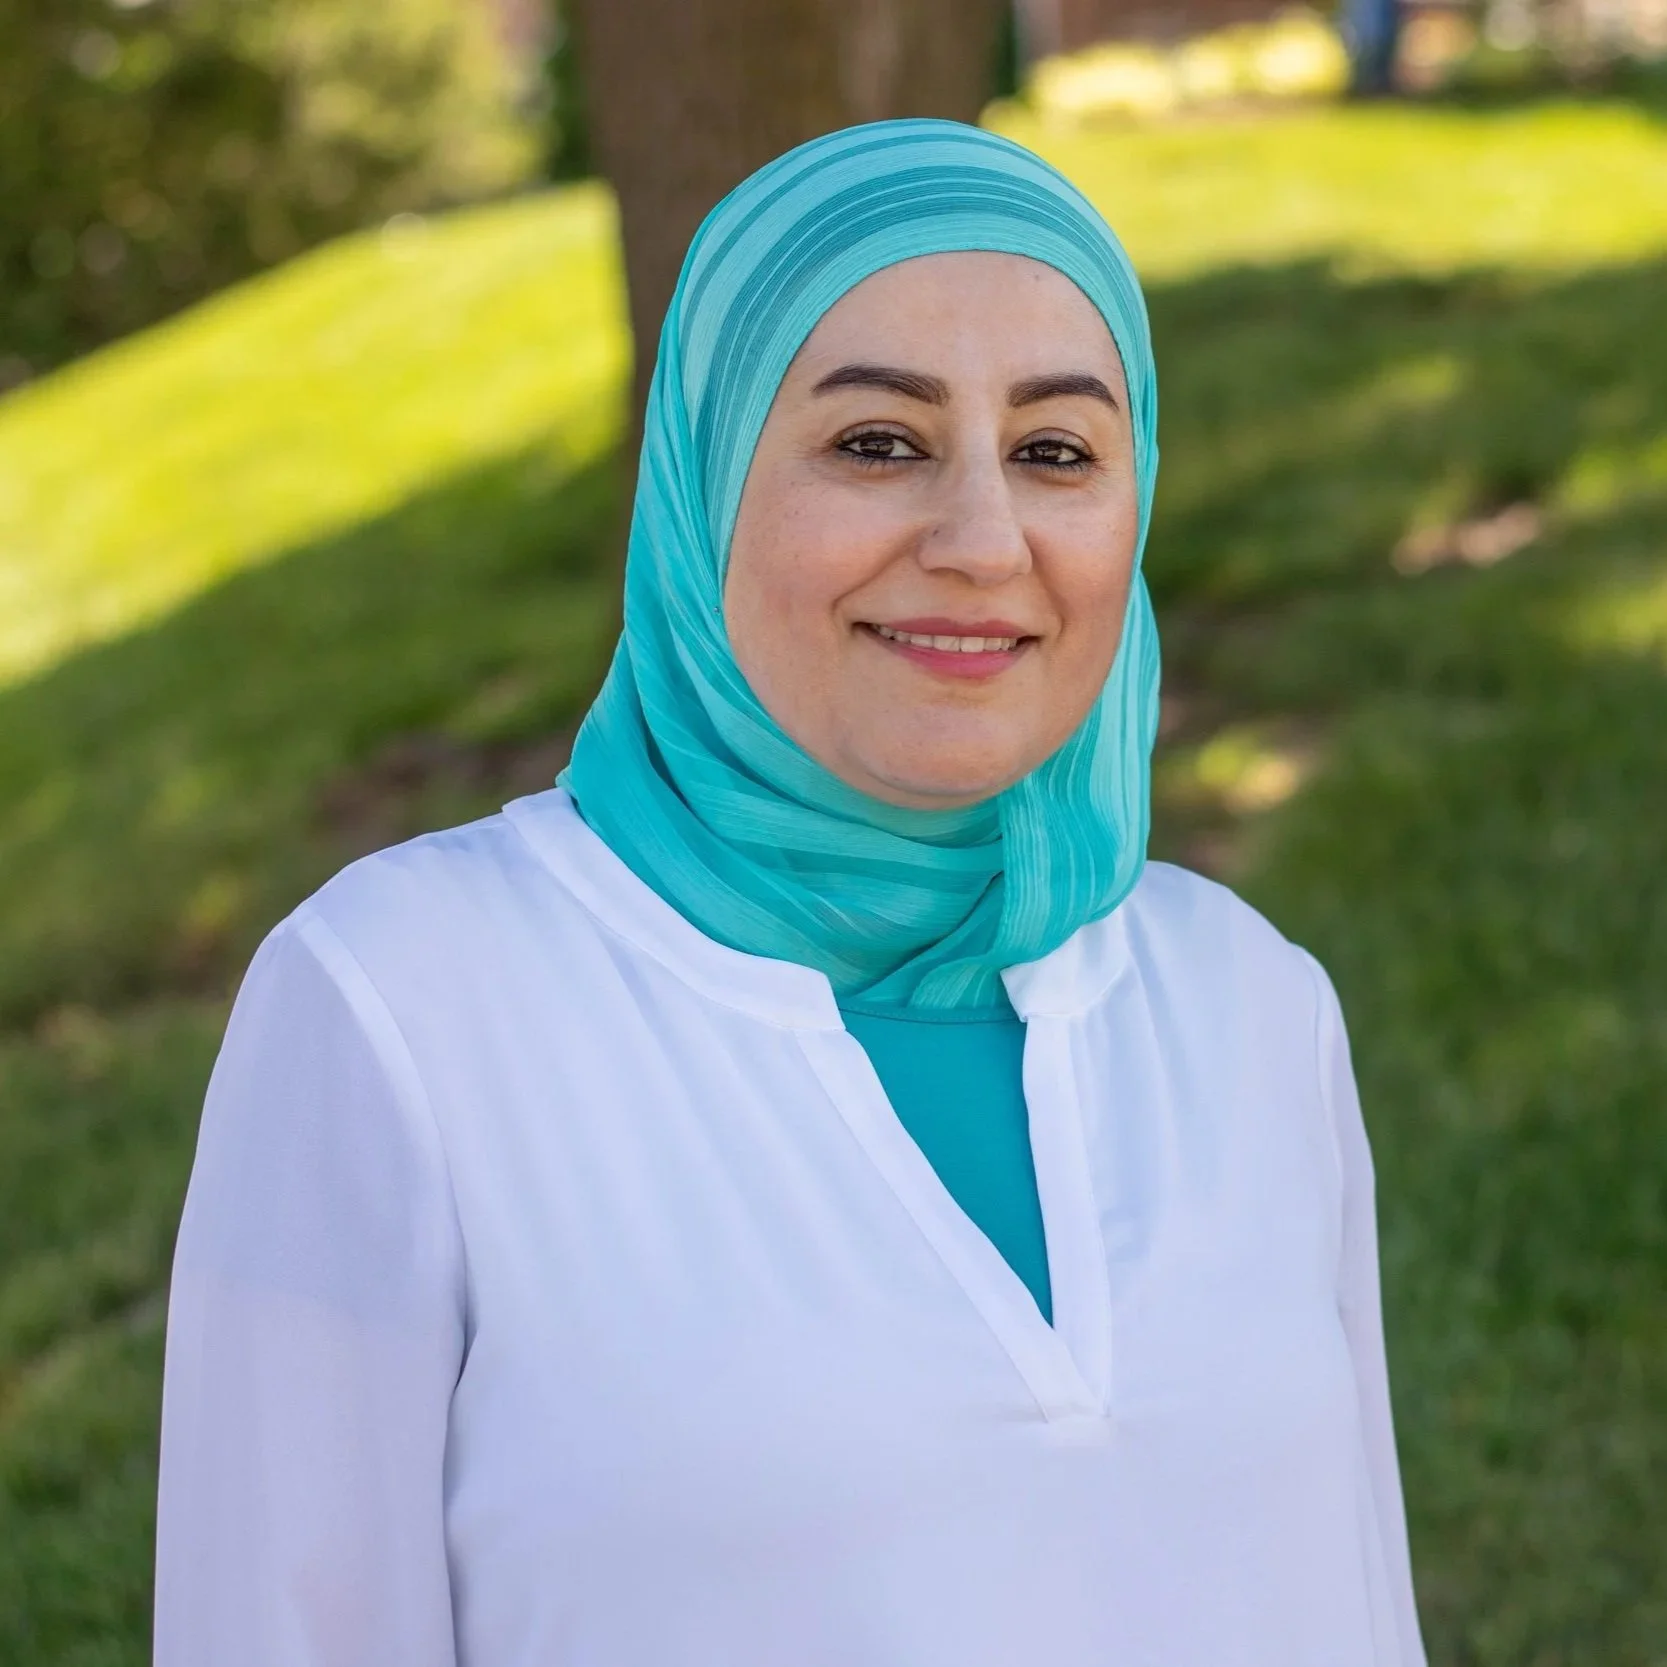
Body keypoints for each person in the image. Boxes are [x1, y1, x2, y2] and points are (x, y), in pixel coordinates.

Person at [154, 120, 1426, 1666]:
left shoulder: (1245, 1003)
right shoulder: (401, 1007)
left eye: (1055, 452)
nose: (980, 540)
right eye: (876, 443)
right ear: (699, 482)